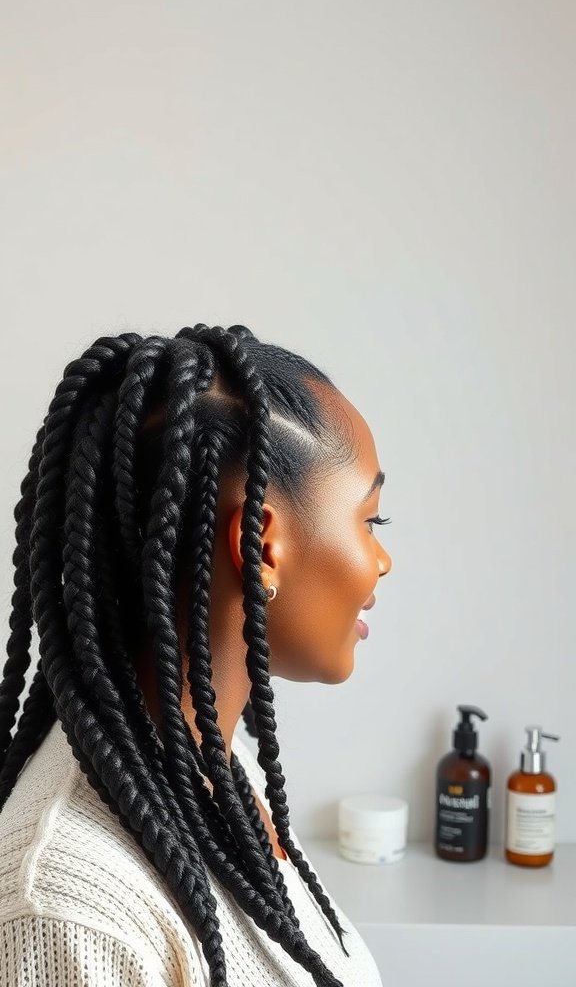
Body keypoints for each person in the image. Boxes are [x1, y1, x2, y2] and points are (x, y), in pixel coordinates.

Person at [0, 323, 392, 986]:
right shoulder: (68, 910)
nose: (382, 561)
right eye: (371, 521)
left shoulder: (218, 766)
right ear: (261, 545)